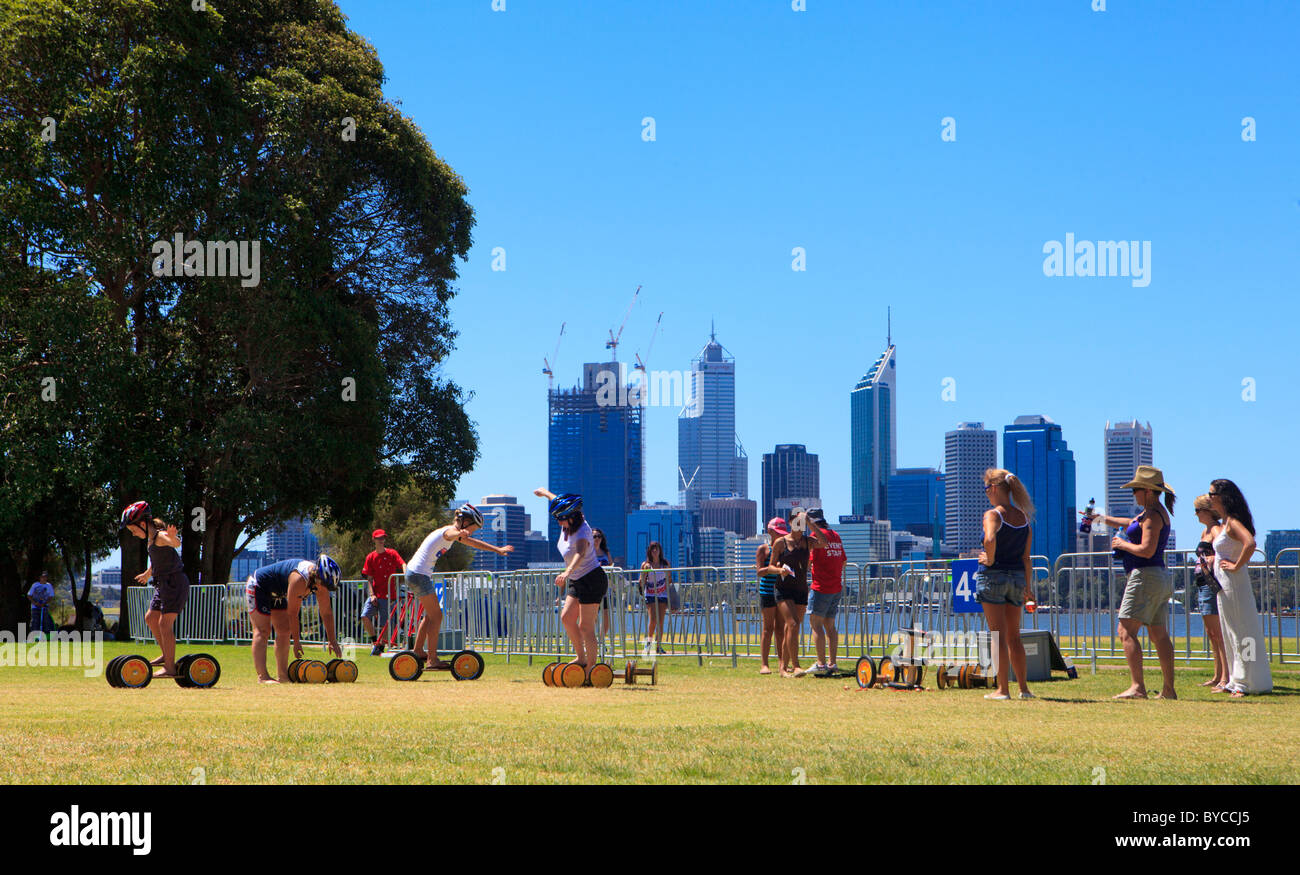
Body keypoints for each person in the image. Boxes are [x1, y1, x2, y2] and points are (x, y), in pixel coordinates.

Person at [1090, 465, 1177, 700]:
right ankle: (1169, 689)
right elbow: (1129, 522)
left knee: (1125, 630)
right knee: (1159, 634)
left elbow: (1146, 550)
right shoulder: (1154, 512)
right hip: (1158, 577)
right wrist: (1098, 519)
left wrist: (1121, 544)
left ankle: (1137, 687)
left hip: (1145, 576)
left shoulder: (1151, 516)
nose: (1134, 495)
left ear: (1147, 491)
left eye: (1135, 490)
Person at [405, 504, 512, 670]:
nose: (473, 532)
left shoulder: (455, 534)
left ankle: (418, 651)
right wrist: (459, 533)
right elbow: (451, 534)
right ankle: (432, 660)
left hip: (417, 574)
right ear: (465, 522)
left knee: (430, 615)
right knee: (437, 616)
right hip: (419, 575)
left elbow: (473, 543)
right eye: (473, 528)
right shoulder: (449, 532)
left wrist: (497, 550)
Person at [974, 470, 1035, 700]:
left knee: (997, 635)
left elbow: (989, 540)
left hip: (994, 576)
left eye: (987, 489)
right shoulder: (1024, 518)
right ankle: (1024, 689)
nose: (987, 493)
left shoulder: (993, 515)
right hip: (1017, 578)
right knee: (1014, 636)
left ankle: (1002, 690)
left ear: (995, 489)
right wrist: (1028, 588)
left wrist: (989, 559)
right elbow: (1027, 558)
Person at [1208, 479, 1272, 696]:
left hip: (1234, 584)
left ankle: (1245, 682)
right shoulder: (1225, 522)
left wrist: (1236, 565)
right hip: (1224, 585)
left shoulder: (1234, 522)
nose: (1209, 498)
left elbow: (1250, 543)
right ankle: (1236, 679)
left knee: (1241, 632)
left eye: (1212, 494)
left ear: (1222, 496)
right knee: (1229, 630)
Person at [534, 488, 606, 670]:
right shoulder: (567, 522)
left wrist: (567, 572)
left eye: (560, 518)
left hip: (591, 579)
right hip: (577, 579)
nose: (558, 522)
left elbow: (580, 553)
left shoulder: (582, 531)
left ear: (571, 516)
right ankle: (581, 658)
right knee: (566, 618)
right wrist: (544, 493)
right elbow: (557, 500)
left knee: (585, 626)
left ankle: (591, 667)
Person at [245, 555, 343, 683]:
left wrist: (332, 640)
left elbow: (326, 613)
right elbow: (293, 614)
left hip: (279, 592)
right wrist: (296, 642)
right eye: (324, 584)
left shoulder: (321, 584)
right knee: (262, 630)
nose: (324, 588)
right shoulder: (299, 579)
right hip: (259, 586)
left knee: (284, 631)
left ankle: (283, 676)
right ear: (317, 575)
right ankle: (263, 677)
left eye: (328, 586)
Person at [121, 501, 190, 678]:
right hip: (162, 583)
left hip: (174, 583)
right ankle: (166, 655)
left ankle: (169, 668)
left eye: (134, 530)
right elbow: (158, 559)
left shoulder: (160, 537)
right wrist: (148, 573)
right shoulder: (151, 541)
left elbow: (174, 543)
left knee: (164, 623)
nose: (134, 534)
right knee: (151, 618)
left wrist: (174, 537)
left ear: (142, 524)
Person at [769, 509, 827, 677]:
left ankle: (783, 668)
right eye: (797, 521)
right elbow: (771, 566)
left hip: (800, 589)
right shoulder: (781, 542)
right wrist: (780, 570)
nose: (799, 525)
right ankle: (796, 666)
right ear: (790, 523)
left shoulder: (808, 541)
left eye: (801, 522)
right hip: (783, 588)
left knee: (792, 628)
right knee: (792, 624)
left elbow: (824, 543)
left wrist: (811, 523)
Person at [1192, 495, 1229, 689]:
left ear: (1207, 511)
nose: (1195, 514)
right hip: (1202, 581)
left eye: (1197, 510)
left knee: (1218, 633)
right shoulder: (1204, 531)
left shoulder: (1216, 529)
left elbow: (1222, 550)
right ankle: (1217, 675)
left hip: (1211, 582)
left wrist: (1214, 558)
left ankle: (1225, 676)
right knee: (1211, 633)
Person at [804, 508, 846, 676]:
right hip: (836, 587)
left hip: (821, 587)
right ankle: (832, 663)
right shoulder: (835, 535)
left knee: (816, 625)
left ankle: (821, 664)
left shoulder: (816, 537)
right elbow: (843, 561)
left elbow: (808, 563)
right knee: (830, 626)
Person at [361, 529, 405, 655]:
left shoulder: (391, 553)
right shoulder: (370, 557)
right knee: (365, 615)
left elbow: (402, 563)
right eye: (379, 538)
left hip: (389, 595)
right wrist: (372, 594)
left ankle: (380, 646)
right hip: (376, 593)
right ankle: (375, 641)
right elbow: (369, 579)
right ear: (374, 540)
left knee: (386, 622)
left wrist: (406, 572)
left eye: (383, 538)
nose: (381, 540)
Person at [755, 518, 788, 675]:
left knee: (780, 628)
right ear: (770, 532)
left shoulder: (784, 549)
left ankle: (782, 663)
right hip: (767, 592)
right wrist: (773, 568)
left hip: (780, 591)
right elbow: (759, 571)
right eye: (777, 533)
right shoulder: (764, 549)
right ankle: (764, 664)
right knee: (767, 628)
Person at [638, 542, 672, 655]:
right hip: (651, 594)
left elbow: (670, 579)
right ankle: (648, 643)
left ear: (660, 551)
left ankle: (658, 646)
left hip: (662, 594)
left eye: (656, 549)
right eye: (652, 549)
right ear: (649, 551)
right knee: (653, 620)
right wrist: (644, 575)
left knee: (661, 621)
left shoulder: (665, 563)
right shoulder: (646, 564)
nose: (655, 551)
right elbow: (641, 580)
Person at [592, 528, 613, 648]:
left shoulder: (605, 552)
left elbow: (611, 566)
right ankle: (592, 641)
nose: (597, 539)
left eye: (599, 536)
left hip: (605, 589)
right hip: (592, 589)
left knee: (606, 618)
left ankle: (601, 641)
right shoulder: (588, 551)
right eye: (594, 536)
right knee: (593, 617)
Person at [27, 571, 54, 636]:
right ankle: (34, 635)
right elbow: (29, 595)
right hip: (35, 607)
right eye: (42, 577)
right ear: (40, 578)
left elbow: (51, 596)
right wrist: (35, 603)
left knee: (45, 621)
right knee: (35, 621)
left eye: (45, 577)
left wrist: (45, 603)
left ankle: (45, 635)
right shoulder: (35, 585)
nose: (44, 578)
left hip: (44, 606)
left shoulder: (49, 586)